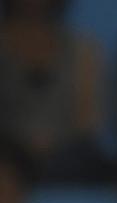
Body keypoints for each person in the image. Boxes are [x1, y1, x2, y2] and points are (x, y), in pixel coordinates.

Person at [0, 0, 105, 181]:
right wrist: (24, 144)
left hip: (67, 153)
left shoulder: (82, 50)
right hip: (8, 151)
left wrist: (52, 143)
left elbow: (89, 120)